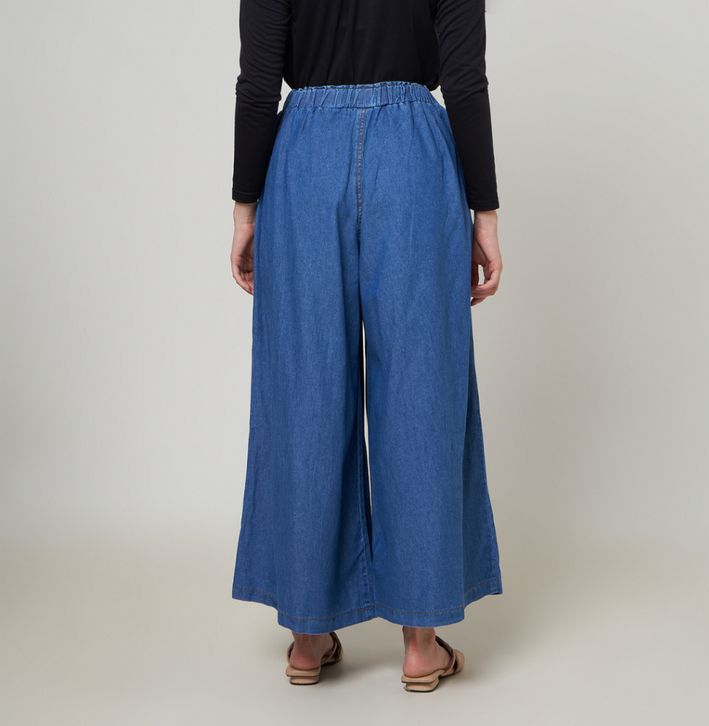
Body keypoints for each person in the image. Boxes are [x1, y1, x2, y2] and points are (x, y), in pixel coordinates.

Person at [229, 0, 503, 692]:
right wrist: (485, 211)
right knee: (421, 388)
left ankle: (308, 636)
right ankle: (420, 645)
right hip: (413, 156)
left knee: (305, 389)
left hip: (304, 158)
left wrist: (245, 207)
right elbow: (465, 79)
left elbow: (258, 81)